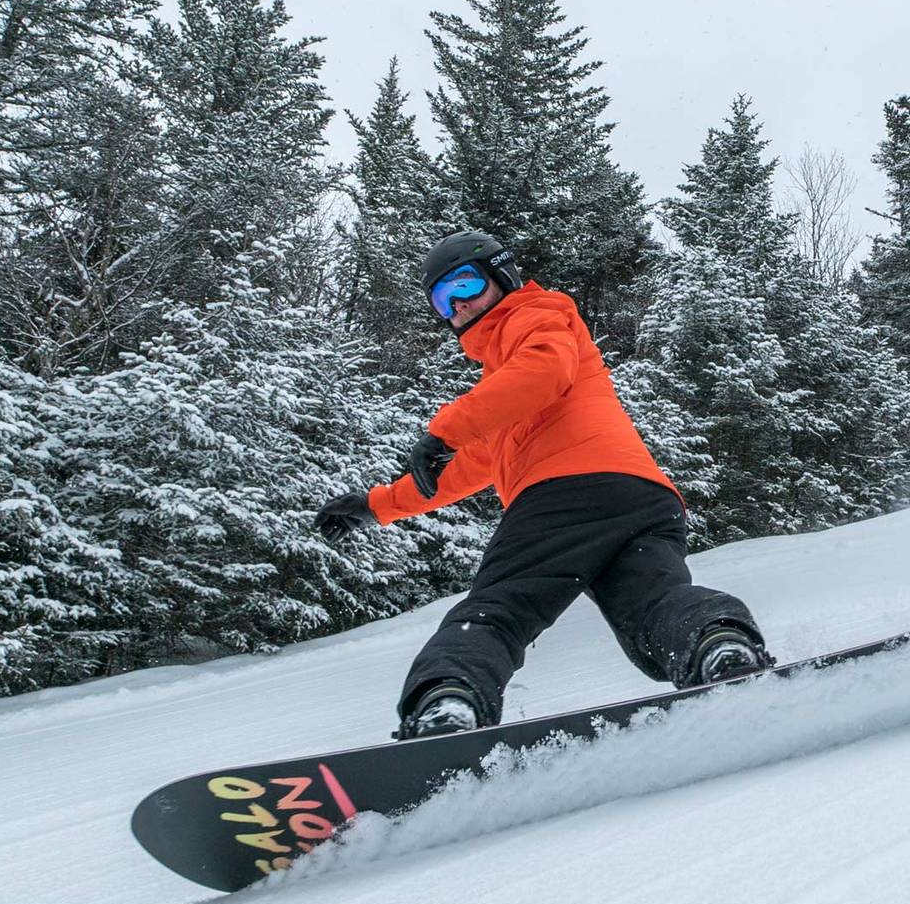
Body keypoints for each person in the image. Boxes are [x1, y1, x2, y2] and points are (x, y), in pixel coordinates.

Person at [314, 230, 772, 739]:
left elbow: (543, 371)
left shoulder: (535, 315)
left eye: (466, 285)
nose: (459, 306)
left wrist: (444, 430)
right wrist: (375, 506)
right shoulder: (505, 391)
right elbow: (463, 470)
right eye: (443, 300)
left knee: (496, 612)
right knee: (654, 604)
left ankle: (449, 704)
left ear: (503, 277)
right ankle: (718, 647)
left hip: (567, 493)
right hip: (642, 499)